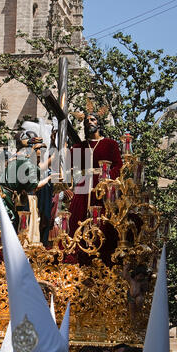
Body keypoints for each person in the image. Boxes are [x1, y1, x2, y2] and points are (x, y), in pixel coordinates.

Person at [68, 110, 123, 266]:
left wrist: (106, 177)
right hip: (83, 188)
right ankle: (77, 254)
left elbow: (119, 165)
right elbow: (67, 165)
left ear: (99, 123)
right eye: (86, 120)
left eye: (92, 119)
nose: (89, 122)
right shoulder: (79, 147)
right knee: (76, 220)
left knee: (104, 222)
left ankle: (104, 255)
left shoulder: (110, 144)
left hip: (103, 189)